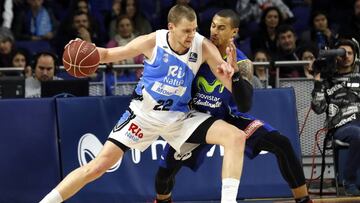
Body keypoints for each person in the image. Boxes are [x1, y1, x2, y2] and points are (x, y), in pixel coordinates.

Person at [39, 5, 247, 203]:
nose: (191, 36)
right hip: (143, 116)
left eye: (194, 30)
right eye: (186, 31)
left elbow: (235, 90)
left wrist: (233, 76)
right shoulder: (152, 41)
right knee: (96, 167)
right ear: (171, 27)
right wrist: (87, 51)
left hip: (178, 118)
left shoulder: (202, 46)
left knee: (236, 137)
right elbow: (110, 54)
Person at [153, 9, 312, 203]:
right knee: (164, 175)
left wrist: (235, 74)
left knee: (282, 144)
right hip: (194, 120)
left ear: (233, 32)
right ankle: (162, 200)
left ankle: (303, 200)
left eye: (221, 27)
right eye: (212, 25)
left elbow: (245, 106)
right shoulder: (195, 50)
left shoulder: (243, 62)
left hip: (226, 118)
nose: (214, 31)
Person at [311, 38, 360, 196]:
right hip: (341, 127)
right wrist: (317, 79)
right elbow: (318, 108)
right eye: (342, 53)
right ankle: (349, 181)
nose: (346, 56)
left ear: (355, 56)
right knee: (356, 133)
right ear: (335, 56)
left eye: (350, 53)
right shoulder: (327, 81)